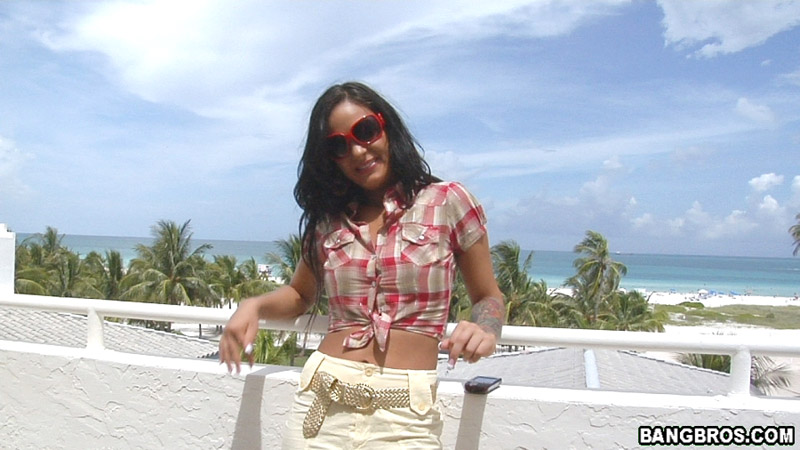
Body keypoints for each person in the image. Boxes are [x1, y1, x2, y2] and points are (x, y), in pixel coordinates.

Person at [219, 81, 505, 448]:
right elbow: (300, 295)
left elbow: (488, 295)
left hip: (407, 413)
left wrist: (485, 330)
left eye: (365, 130)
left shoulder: (447, 201)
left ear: (388, 128)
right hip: (322, 401)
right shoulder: (329, 220)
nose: (357, 150)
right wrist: (253, 306)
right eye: (338, 146)